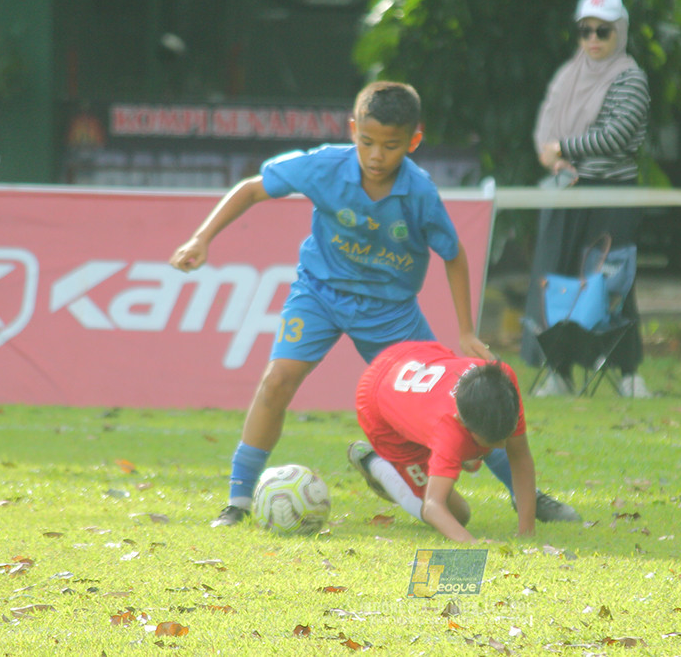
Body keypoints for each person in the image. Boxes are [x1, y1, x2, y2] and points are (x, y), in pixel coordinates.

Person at [169, 81, 577, 526]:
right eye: (366, 142)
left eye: (391, 145)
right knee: (276, 382)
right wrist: (201, 238)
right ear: (352, 131)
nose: (376, 156)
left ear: (413, 141)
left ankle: (527, 496)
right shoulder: (324, 166)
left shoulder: (419, 193)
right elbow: (250, 189)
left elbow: (454, 254)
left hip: (391, 313)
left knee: (453, 402)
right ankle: (238, 501)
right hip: (319, 295)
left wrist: (465, 332)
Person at [521, 0, 652, 399]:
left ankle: (627, 373)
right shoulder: (568, 76)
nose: (593, 39)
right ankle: (558, 373)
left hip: (611, 195)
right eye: (586, 31)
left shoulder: (630, 77)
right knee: (557, 279)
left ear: (620, 32)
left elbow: (616, 135)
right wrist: (553, 158)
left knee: (611, 279)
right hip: (568, 191)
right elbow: (546, 131)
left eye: (603, 31)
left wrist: (564, 148)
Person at [348, 340, 536, 543]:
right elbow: (433, 507)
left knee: (472, 451)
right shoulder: (449, 432)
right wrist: (474, 544)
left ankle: (465, 456)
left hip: (416, 354)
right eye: (491, 440)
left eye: (504, 435)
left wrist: (526, 532)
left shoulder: (503, 382)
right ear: (462, 421)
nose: (501, 446)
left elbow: (520, 456)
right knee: (459, 515)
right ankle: (374, 462)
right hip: (376, 398)